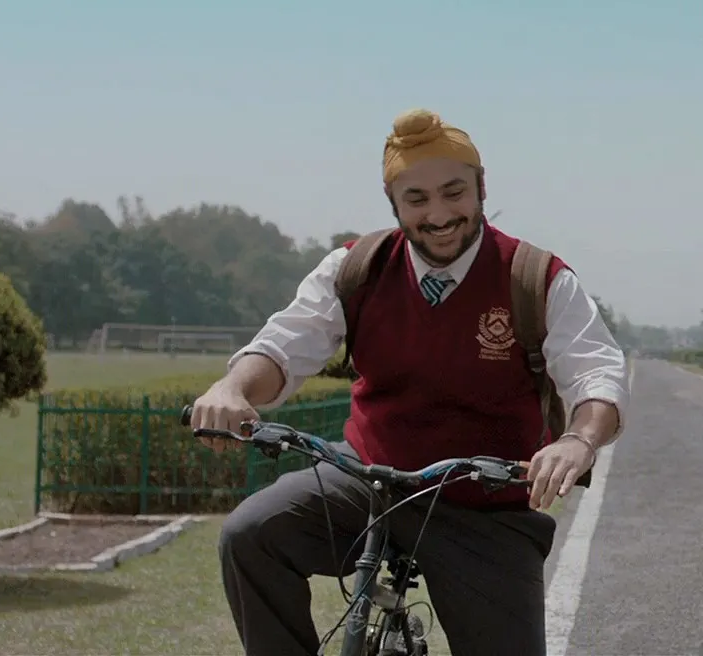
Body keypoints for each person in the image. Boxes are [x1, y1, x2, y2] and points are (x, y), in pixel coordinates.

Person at [188, 109, 628, 656]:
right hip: (367, 481)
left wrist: (578, 440)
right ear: (392, 201)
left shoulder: (535, 277)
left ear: (481, 187)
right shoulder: (358, 267)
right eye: (416, 199)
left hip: (483, 503)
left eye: (453, 192)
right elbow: (286, 344)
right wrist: (232, 389)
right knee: (251, 536)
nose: (438, 215)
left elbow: (596, 372)